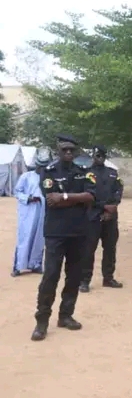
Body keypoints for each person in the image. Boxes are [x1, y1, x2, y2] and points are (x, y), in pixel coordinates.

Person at [31, 135, 97, 342]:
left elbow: (91, 197)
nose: (68, 153)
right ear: (57, 150)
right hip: (56, 233)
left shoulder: (84, 172)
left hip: (79, 232)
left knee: (74, 276)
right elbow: (51, 199)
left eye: (72, 150)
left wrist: (66, 197)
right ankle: (42, 321)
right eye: (64, 150)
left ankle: (66, 315)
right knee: (50, 275)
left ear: (76, 152)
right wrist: (77, 198)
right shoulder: (48, 172)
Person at [80, 145, 124, 292]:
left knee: (110, 248)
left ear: (105, 157)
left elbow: (118, 189)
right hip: (93, 216)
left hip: (111, 217)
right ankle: (84, 280)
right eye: (95, 155)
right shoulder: (86, 174)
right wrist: (104, 207)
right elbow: (88, 194)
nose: (98, 158)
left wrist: (114, 205)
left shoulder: (112, 173)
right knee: (88, 249)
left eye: (101, 155)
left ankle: (108, 278)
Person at [12, 148, 52, 277]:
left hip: (42, 212)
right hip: (28, 212)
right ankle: (18, 266)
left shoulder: (48, 179)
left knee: (39, 239)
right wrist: (28, 198)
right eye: (41, 166)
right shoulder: (26, 176)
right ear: (36, 164)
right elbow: (17, 192)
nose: (42, 168)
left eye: (45, 166)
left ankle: (35, 264)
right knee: (24, 237)